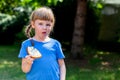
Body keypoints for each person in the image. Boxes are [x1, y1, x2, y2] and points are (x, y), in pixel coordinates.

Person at [18, 6, 66, 80]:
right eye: (40, 24)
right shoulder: (26, 44)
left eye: (48, 24)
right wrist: (28, 63)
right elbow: (25, 70)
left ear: (52, 26)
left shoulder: (55, 44)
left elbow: (62, 65)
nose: (44, 27)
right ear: (33, 24)